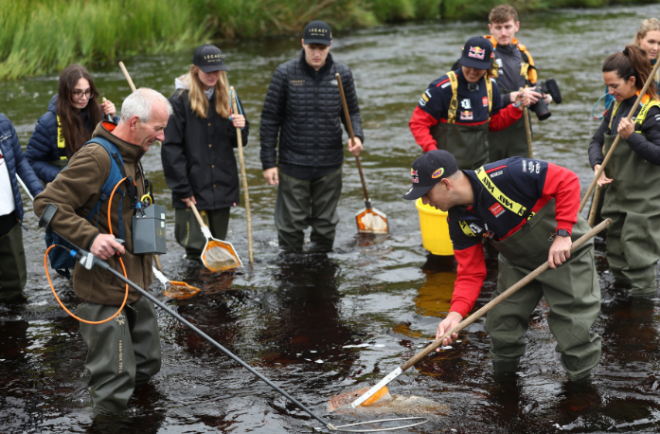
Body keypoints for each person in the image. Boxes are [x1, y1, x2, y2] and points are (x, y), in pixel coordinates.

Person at [403, 150, 601, 382]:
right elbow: (470, 272)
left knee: (573, 331)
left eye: (426, 194)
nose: (425, 202)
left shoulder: (507, 173)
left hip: (566, 252)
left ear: (445, 184)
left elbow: (567, 180)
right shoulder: (458, 222)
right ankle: (504, 388)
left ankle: (581, 394)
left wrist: (563, 233)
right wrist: (455, 316)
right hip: (518, 263)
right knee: (501, 325)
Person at [33, 88, 172, 413]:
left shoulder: (133, 155)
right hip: (103, 287)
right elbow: (45, 205)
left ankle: (140, 420)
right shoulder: (96, 157)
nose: (163, 137)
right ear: (135, 122)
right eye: (158, 129)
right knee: (114, 385)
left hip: (138, 284)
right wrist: (91, 238)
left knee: (147, 365)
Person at [260, 20, 364, 251]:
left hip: (330, 164)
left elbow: (352, 112)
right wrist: (268, 162)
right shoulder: (284, 73)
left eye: (322, 48)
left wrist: (356, 136)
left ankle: (321, 272)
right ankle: (291, 271)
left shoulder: (342, 74)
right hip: (293, 163)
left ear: (330, 46)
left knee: (326, 226)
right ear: (303, 44)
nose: (317, 54)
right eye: (312, 47)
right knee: (290, 227)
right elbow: (269, 119)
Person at [162, 44, 249, 259]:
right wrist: (182, 188)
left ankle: (215, 291)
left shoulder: (229, 97)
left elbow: (240, 141)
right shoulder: (178, 101)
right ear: (195, 69)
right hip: (192, 187)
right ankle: (199, 290)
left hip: (222, 184)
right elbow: (171, 148)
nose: (213, 75)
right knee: (195, 248)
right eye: (208, 70)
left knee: (218, 246)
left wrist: (240, 126)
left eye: (217, 70)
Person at [589, 44, 660, 296]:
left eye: (614, 86)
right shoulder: (616, 108)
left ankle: (643, 314)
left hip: (644, 202)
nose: (610, 91)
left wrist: (632, 137)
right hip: (617, 197)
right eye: (607, 86)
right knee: (616, 253)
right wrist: (597, 164)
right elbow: (596, 141)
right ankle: (622, 311)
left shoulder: (652, 111)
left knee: (638, 256)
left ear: (632, 81)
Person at [409, 36, 531, 169]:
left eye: (478, 67)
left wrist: (516, 108)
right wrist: (433, 153)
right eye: (469, 65)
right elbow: (418, 123)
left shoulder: (491, 87)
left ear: (488, 65)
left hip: (480, 168)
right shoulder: (441, 88)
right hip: (445, 168)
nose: (472, 71)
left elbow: (494, 123)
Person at [24, 64, 117, 185]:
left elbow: (120, 144)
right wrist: (60, 176)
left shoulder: (100, 114)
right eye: (77, 92)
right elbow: (31, 161)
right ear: (65, 92)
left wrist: (113, 119)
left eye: (88, 92)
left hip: (98, 184)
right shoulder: (48, 123)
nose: (84, 98)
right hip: (66, 188)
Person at [484, 5, 549, 160]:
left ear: (517, 26)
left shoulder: (524, 56)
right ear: (490, 28)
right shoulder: (483, 56)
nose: (504, 33)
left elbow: (529, 88)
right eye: (498, 28)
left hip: (520, 131)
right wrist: (511, 97)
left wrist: (542, 99)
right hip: (493, 129)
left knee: (521, 177)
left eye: (508, 27)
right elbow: (476, 96)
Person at [0, 114, 43, 300]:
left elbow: (20, 163)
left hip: (8, 215)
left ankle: (15, 327)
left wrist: (40, 195)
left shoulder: (3, 124)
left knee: (14, 284)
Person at [598, 18, 660, 118]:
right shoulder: (623, 65)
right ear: (640, 38)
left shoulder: (656, 68)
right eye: (651, 42)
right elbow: (611, 103)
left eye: (659, 43)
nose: (656, 48)